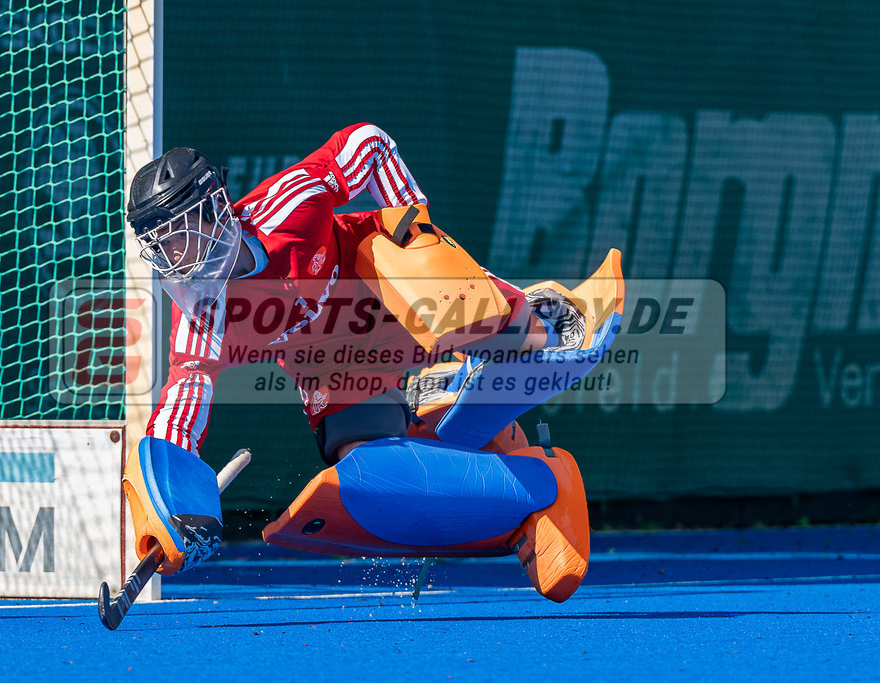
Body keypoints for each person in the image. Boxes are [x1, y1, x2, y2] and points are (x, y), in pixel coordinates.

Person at [121, 123, 623, 603]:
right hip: (332, 363)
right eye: (160, 246)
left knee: (466, 302)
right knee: (377, 472)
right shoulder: (201, 317)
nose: (174, 256)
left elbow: (368, 142)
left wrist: (416, 228)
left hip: (386, 284)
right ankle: (536, 484)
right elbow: (182, 402)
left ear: (213, 208)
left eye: (178, 233)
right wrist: (167, 503)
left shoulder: (286, 206)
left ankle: (537, 320)